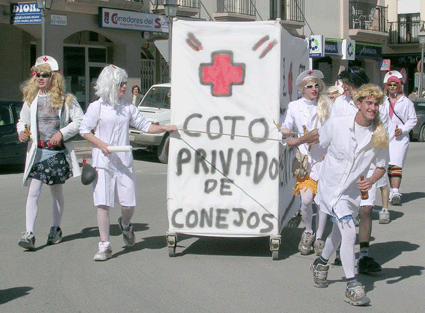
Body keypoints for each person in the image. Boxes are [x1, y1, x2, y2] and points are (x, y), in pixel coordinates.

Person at [288, 84, 388, 306]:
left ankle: (321, 262)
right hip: (330, 188)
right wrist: (297, 141)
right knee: (349, 232)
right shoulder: (339, 124)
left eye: (376, 104)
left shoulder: (379, 135)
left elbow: (382, 165)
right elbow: (317, 134)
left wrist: (369, 181)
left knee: (340, 233)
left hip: (351, 192)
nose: (373, 107)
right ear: (359, 104)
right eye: (368, 103)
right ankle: (352, 285)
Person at [79, 65, 177, 261]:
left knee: (129, 205)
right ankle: (105, 245)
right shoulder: (96, 107)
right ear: (109, 85)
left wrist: (167, 127)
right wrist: (102, 144)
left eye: (125, 83)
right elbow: (84, 130)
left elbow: (145, 125)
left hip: (124, 161)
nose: (124, 87)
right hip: (103, 162)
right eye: (120, 84)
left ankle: (125, 225)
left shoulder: (128, 107)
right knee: (103, 204)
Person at [16, 55, 83, 250]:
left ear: (54, 77)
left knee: (56, 192)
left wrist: (61, 133)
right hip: (37, 152)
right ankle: (29, 233)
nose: (40, 78)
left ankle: (56, 228)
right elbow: (23, 121)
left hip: (55, 153)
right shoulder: (31, 99)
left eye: (45, 75)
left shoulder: (66, 99)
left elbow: (79, 121)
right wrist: (22, 132)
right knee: (33, 192)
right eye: (37, 74)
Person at [331, 66, 389, 274]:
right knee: (343, 211)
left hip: (367, 166)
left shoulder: (374, 104)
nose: (343, 87)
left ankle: (363, 256)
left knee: (365, 209)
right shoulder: (339, 103)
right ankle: (338, 250)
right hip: (344, 167)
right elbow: (332, 129)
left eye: (346, 82)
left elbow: (383, 134)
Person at [281, 70, 332, 256]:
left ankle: (319, 238)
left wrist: (321, 139)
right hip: (305, 161)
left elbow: (331, 130)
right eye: (309, 86)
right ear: (303, 89)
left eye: (316, 85)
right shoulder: (294, 106)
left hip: (323, 159)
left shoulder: (326, 105)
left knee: (322, 202)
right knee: (306, 200)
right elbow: (286, 126)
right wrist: (285, 132)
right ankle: (308, 231)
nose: (314, 89)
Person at [383, 71, 417, 207]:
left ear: (399, 86)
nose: (392, 87)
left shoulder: (406, 102)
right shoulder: (383, 101)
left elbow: (413, 120)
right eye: (390, 85)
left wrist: (402, 129)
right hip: (385, 136)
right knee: (386, 165)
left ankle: (395, 192)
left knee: (396, 164)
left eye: (395, 84)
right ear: (387, 86)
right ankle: (390, 191)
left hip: (399, 138)